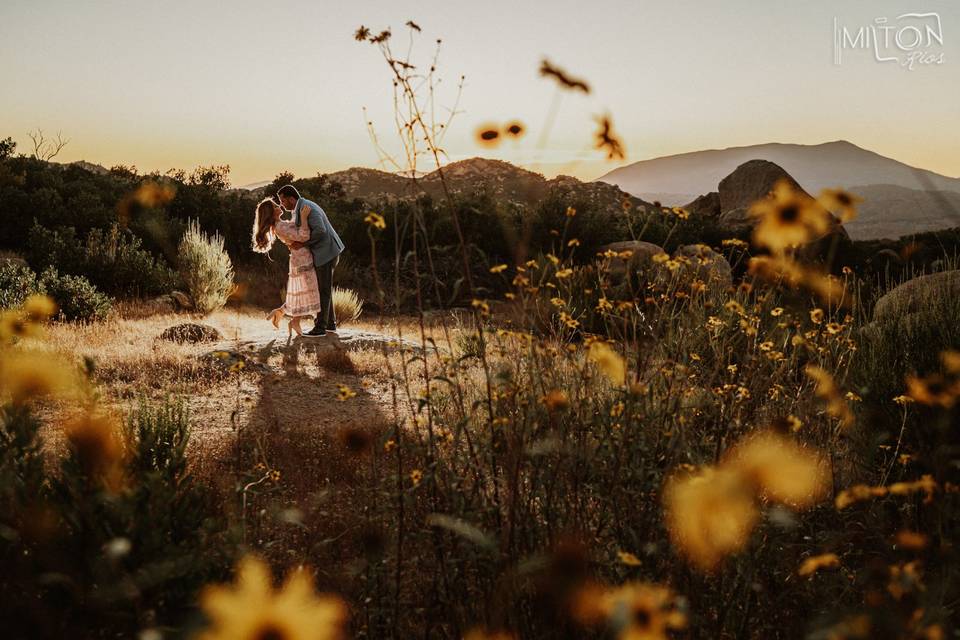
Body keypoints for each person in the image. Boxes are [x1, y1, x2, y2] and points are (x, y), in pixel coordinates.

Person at [276, 184, 345, 337]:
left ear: (291, 198)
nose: (281, 204)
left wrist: (303, 243)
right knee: (324, 288)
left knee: (323, 290)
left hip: (326, 252)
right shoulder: (300, 208)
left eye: (282, 200)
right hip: (325, 252)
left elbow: (320, 230)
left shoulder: (306, 208)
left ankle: (320, 328)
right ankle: (330, 324)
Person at [251, 197, 319, 337]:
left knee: (304, 291)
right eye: (276, 206)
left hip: (300, 258)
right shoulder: (280, 227)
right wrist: (304, 218)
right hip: (302, 260)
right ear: (271, 213)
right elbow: (304, 236)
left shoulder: (281, 224)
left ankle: (285, 315)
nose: (280, 206)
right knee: (308, 291)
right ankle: (293, 320)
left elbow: (295, 230)